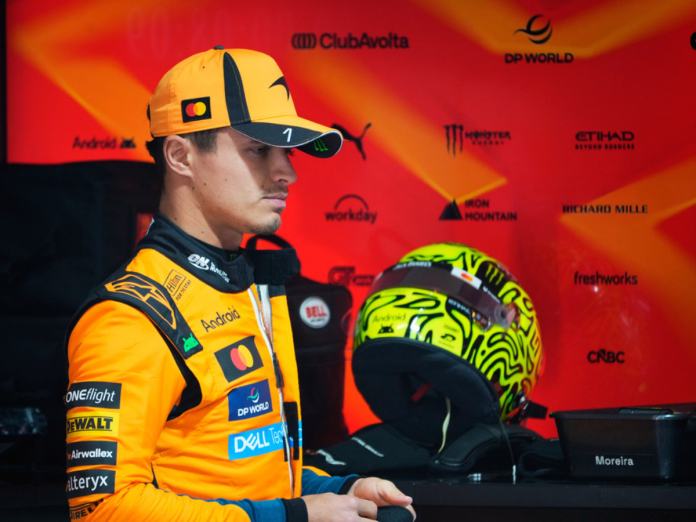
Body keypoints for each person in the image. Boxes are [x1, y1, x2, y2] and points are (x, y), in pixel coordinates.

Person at [65, 47, 416, 521]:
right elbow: (103, 508)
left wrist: (341, 490)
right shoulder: (129, 318)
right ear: (181, 155)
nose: (287, 172)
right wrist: (296, 516)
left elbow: (244, 478)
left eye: (287, 152)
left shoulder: (248, 287)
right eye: (258, 150)